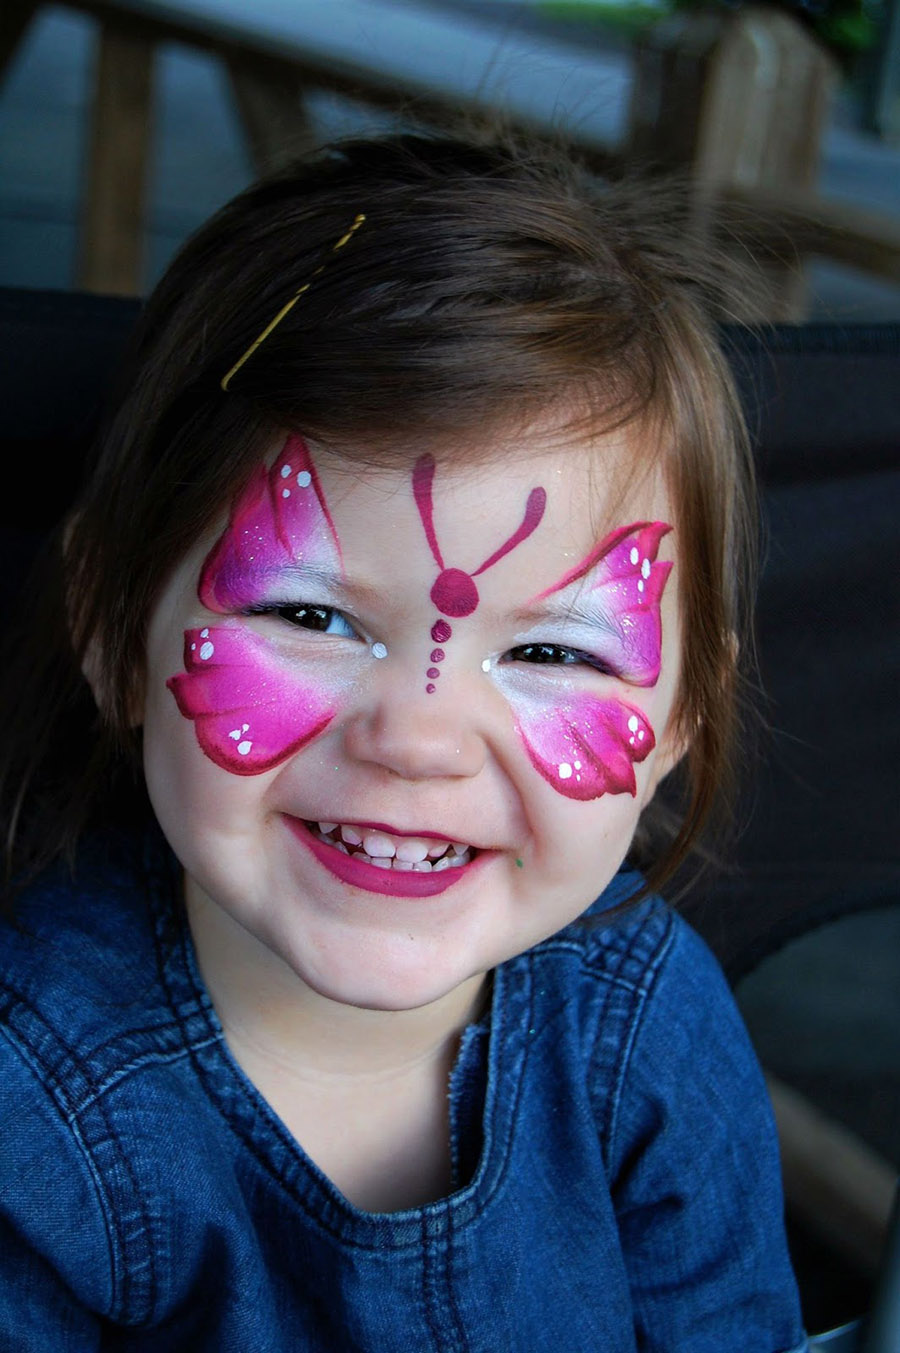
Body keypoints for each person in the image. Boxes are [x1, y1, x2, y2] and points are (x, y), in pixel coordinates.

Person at [0, 132, 807, 1351]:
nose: (420, 739)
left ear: (679, 722)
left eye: (556, 653)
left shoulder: (648, 1021)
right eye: (312, 615)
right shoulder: (32, 1107)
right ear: (113, 632)